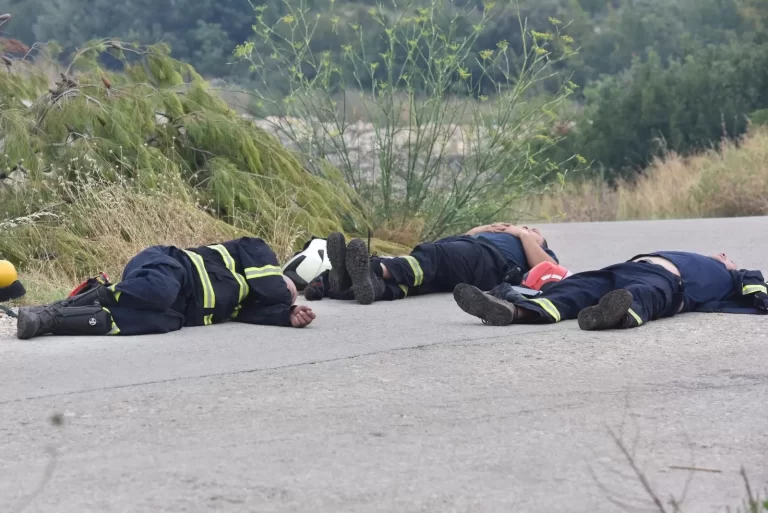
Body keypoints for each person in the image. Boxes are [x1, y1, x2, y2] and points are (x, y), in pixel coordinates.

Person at [15, 237, 316, 339]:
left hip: (177, 310)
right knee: (160, 291)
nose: (286, 292)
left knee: (154, 322)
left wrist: (286, 316)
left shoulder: (249, 304)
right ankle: (100, 291)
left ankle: (48, 320)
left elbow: (259, 311)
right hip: (169, 267)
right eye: (288, 288)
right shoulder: (256, 251)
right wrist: (283, 296)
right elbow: (274, 288)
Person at [453, 251, 768, 329]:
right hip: (622, 269)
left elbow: (757, 287)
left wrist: (760, 296)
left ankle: (613, 316)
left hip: (670, 283)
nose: (723, 254)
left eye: (727, 257)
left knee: (646, 294)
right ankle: (512, 310)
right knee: (574, 288)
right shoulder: (692, 253)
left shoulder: (732, 277)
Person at [305, 222, 559, 305]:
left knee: (431, 259)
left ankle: (360, 272)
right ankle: (342, 286)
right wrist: (486, 227)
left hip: (486, 259)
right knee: (417, 279)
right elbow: (467, 236)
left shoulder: (536, 248)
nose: (524, 227)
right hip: (469, 254)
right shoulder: (497, 233)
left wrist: (526, 236)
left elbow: (551, 270)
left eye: (533, 229)